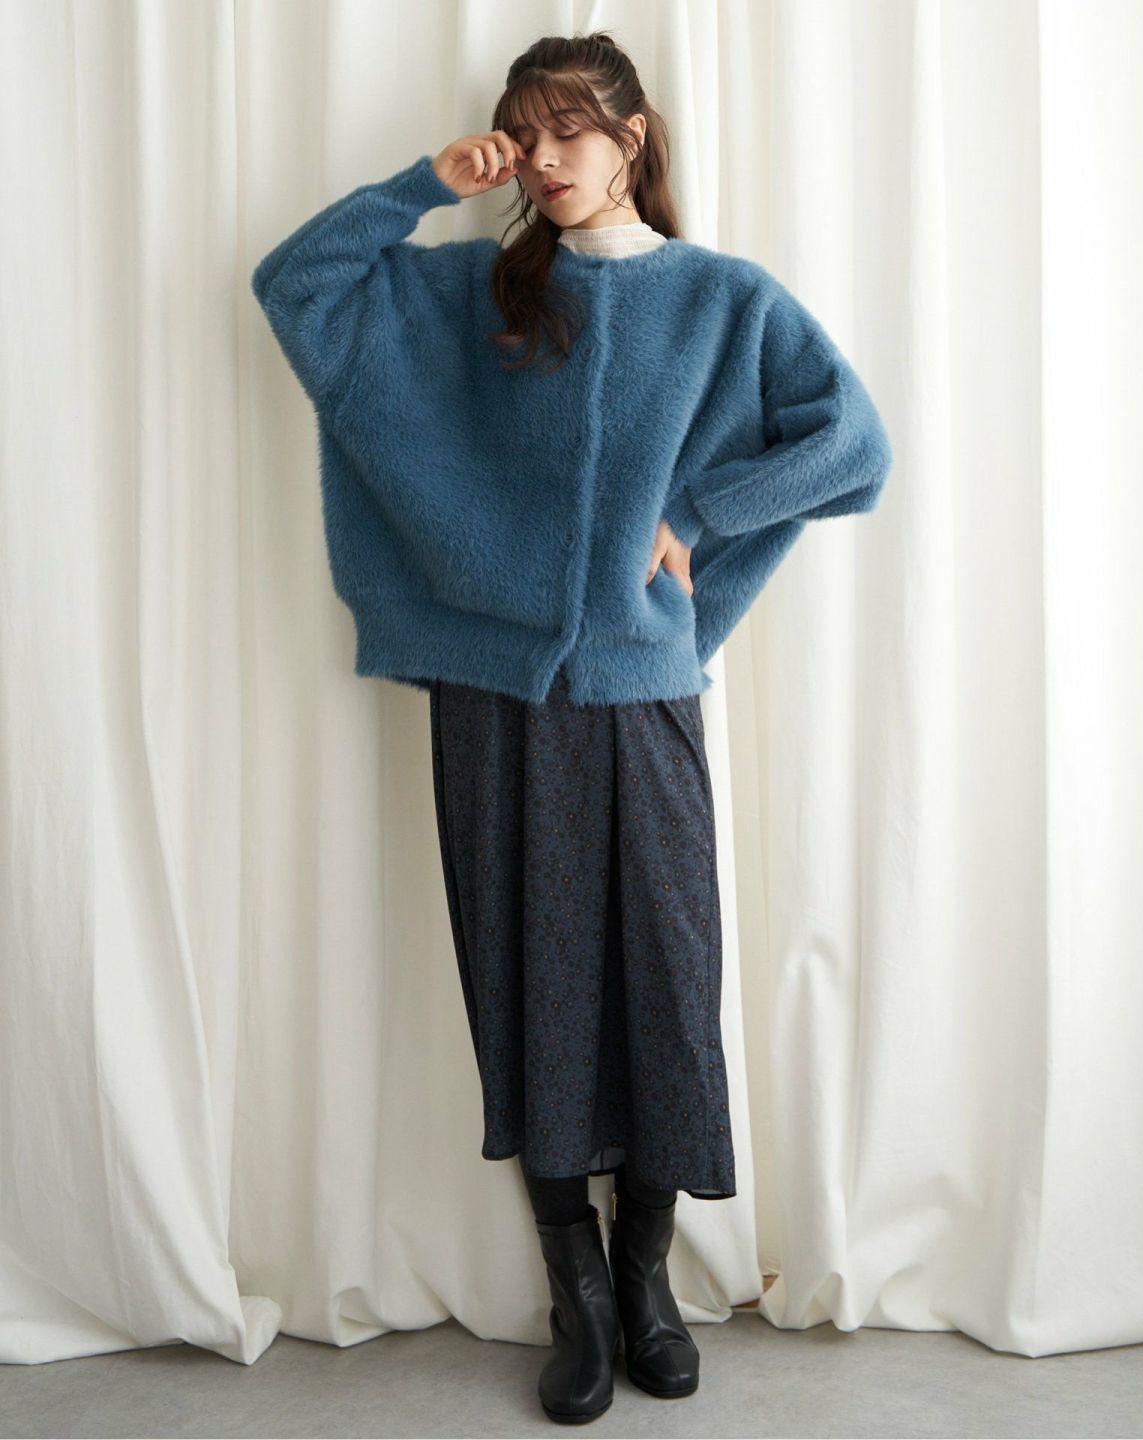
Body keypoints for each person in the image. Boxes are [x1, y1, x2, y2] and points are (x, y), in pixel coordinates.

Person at [251, 30, 892, 1426]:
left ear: (632, 138)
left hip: (644, 697)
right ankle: (578, 1294)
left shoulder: (723, 300)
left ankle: (649, 1276)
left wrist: (700, 513)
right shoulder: (473, 288)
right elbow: (296, 286)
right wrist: (424, 186)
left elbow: (854, 445)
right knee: (527, 982)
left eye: (567, 132)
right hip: (494, 700)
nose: (542, 160)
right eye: (522, 134)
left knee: (666, 980)